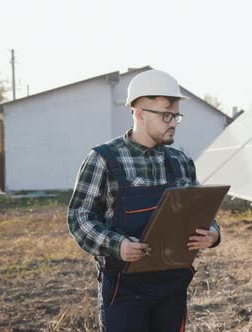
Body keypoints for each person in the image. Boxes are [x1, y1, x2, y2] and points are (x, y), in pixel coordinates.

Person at [67, 69, 221, 331]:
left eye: (176, 115)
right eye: (165, 115)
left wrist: (213, 233)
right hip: (124, 290)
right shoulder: (104, 159)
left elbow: (201, 210)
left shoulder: (181, 162)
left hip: (173, 286)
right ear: (139, 113)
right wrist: (118, 245)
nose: (173, 122)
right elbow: (79, 217)